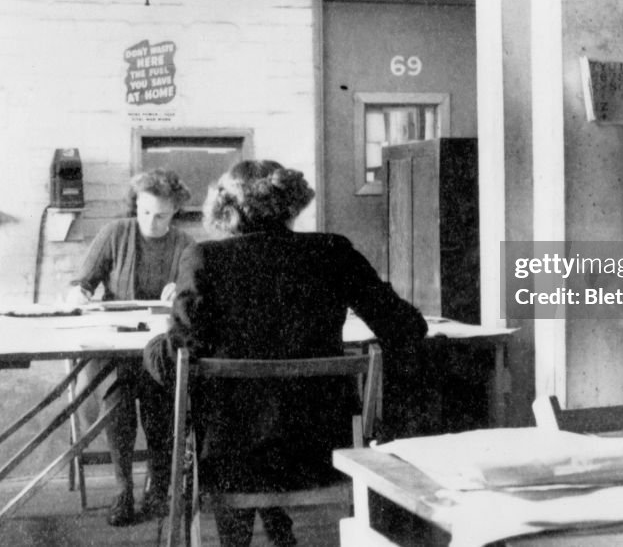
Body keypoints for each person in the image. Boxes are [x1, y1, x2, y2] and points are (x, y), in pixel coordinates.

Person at [144, 160, 427, 547]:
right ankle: (281, 532)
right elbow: (408, 328)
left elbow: (173, 361)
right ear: (292, 204)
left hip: (234, 462)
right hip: (325, 454)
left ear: (226, 209)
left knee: (225, 415)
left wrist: (155, 344)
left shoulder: (204, 259)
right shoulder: (333, 250)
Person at [66, 168, 193, 526]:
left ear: (175, 213)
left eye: (162, 215)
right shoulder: (114, 233)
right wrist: (80, 293)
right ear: (135, 206)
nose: (152, 221)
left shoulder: (185, 245)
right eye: (145, 212)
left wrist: (180, 291)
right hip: (116, 349)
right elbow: (83, 283)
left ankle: (158, 487)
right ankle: (123, 488)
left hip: (159, 348)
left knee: (162, 397)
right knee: (118, 398)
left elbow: (195, 295)